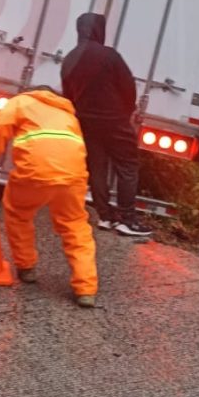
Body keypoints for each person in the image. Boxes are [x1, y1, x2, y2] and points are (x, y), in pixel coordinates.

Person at [0, 86, 98, 308]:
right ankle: (86, 289)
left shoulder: (21, 102)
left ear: (32, 92)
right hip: (72, 178)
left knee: (18, 213)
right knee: (75, 226)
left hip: (34, 174)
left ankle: (26, 267)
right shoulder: (67, 112)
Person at [61, 12, 151, 238]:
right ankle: (127, 219)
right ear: (98, 30)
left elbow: (68, 95)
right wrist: (126, 111)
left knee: (97, 167)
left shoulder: (69, 59)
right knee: (127, 165)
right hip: (115, 120)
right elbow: (127, 85)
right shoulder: (109, 55)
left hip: (86, 121)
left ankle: (105, 216)